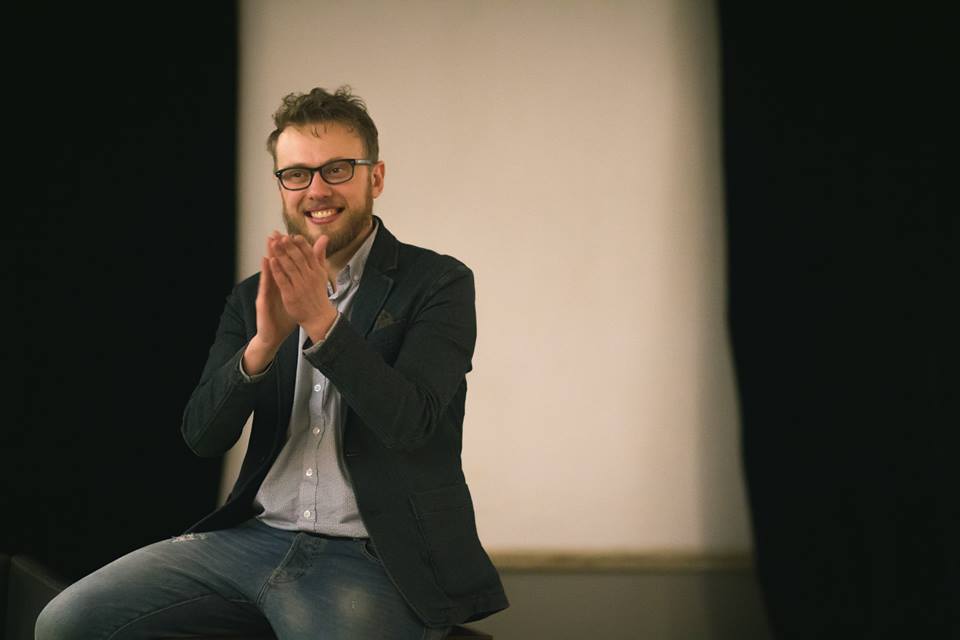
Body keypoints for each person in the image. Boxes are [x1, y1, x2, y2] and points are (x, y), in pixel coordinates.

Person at [36, 86, 508, 639]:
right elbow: (202, 437)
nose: (317, 190)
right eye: (297, 174)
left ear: (375, 178)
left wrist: (322, 325)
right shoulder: (253, 296)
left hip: (377, 553)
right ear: (282, 186)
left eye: (337, 169)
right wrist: (262, 345)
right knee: (67, 622)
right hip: (252, 540)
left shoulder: (439, 283)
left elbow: (412, 424)